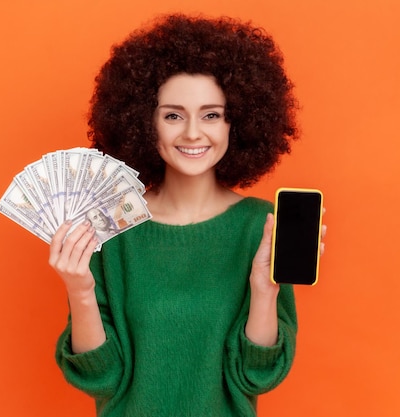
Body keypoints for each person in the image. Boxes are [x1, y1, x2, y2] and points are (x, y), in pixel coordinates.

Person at [48, 13, 311, 416]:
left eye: (211, 114)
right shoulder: (110, 227)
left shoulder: (262, 226)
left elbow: (259, 376)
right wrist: (79, 289)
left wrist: (265, 289)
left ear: (235, 123)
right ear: (144, 122)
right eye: (173, 115)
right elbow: (101, 379)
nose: (192, 133)